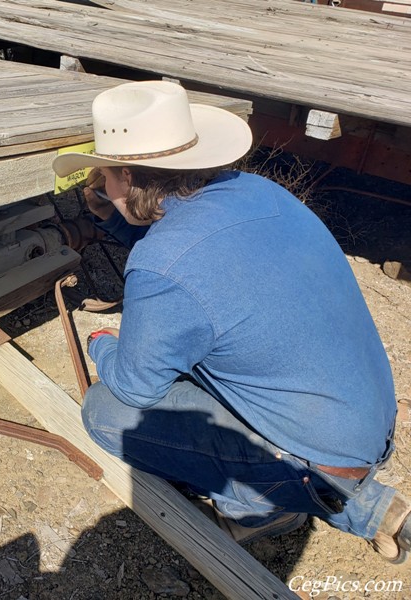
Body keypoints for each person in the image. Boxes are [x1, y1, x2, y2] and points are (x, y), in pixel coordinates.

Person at [52, 80, 410, 563]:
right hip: (361, 422)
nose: (99, 182)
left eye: (105, 174)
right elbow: (196, 268)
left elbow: (137, 386)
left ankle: (261, 506)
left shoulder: (164, 263)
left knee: (107, 411)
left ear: (129, 178)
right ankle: (356, 500)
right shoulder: (255, 190)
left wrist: (103, 345)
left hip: (319, 450)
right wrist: (115, 218)